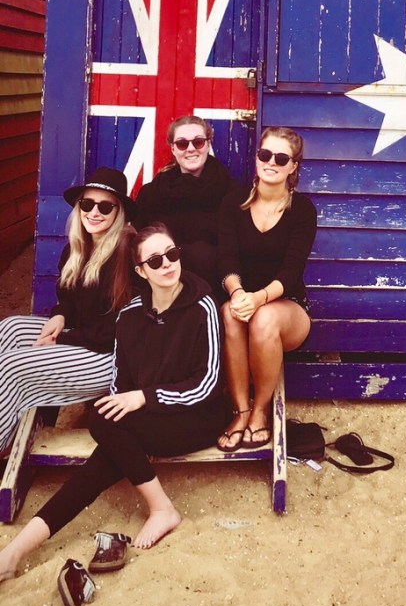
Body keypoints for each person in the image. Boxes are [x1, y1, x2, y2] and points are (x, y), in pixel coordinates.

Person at [0, 223, 223, 583]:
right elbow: (121, 384)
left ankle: (161, 508)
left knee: (105, 425)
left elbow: (207, 383)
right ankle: (13, 553)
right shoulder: (130, 315)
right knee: (104, 437)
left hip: (197, 416)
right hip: (149, 419)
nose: (167, 264)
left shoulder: (203, 305)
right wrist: (133, 401)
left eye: (172, 254)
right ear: (141, 271)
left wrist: (144, 397)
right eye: (155, 260)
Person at [0, 166, 135, 456]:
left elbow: (110, 333)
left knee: (11, 368)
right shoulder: (76, 250)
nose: (94, 212)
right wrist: (60, 315)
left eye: (105, 207)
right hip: (83, 338)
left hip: (108, 358)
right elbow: (71, 303)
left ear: (118, 212)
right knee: (10, 328)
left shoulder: (124, 255)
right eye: (87, 204)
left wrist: (59, 340)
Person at [217, 127, 316, 452]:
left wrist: (258, 299)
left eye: (281, 158)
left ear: (293, 166)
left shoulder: (302, 210)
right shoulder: (233, 203)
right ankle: (240, 411)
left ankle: (260, 410)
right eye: (265, 154)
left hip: (287, 309)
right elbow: (226, 259)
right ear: (256, 158)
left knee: (263, 319)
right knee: (229, 313)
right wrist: (237, 294)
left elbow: (292, 271)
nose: (271, 162)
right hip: (244, 299)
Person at [134, 115, 232, 294]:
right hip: (160, 291)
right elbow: (138, 245)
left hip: (213, 290)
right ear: (173, 148)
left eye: (198, 142)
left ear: (208, 144)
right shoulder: (152, 194)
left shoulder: (229, 192)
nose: (191, 149)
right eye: (182, 144)